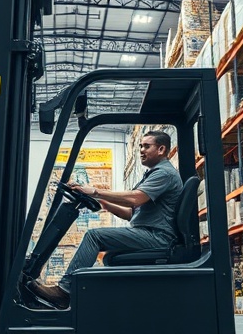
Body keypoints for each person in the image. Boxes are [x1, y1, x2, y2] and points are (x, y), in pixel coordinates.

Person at [28, 130, 183, 309]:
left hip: (157, 237)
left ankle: (65, 291)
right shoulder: (154, 174)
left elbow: (135, 199)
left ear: (161, 149)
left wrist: (94, 191)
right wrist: (102, 202)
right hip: (150, 233)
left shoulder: (163, 174)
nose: (141, 150)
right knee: (102, 246)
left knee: (94, 236)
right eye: (140, 146)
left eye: (146, 146)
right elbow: (131, 214)